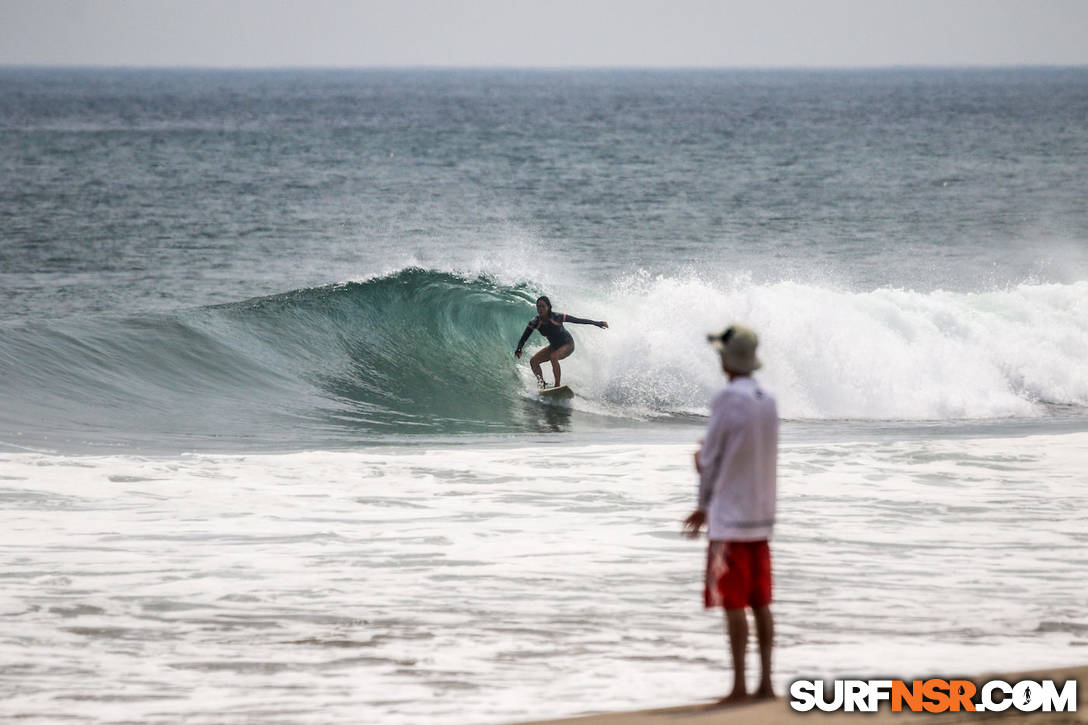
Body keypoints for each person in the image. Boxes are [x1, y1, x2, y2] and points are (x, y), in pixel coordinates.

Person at [682, 324, 779, 706]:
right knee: (760, 602)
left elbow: (712, 457)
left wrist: (703, 504)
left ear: (727, 358)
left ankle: (739, 687)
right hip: (762, 514)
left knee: (734, 603)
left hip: (730, 516)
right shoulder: (767, 398)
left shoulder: (726, 398)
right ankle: (767, 684)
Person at [514, 296, 608, 389]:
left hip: (568, 344)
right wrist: (519, 349)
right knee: (533, 361)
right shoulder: (535, 322)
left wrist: (597, 323)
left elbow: (578, 320)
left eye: (543, 306)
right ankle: (542, 384)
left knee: (553, 357)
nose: (540, 309)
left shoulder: (557, 317)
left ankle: (557, 386)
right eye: (538, 306)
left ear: (548, 307)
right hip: (554, 347)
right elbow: (524, 337)